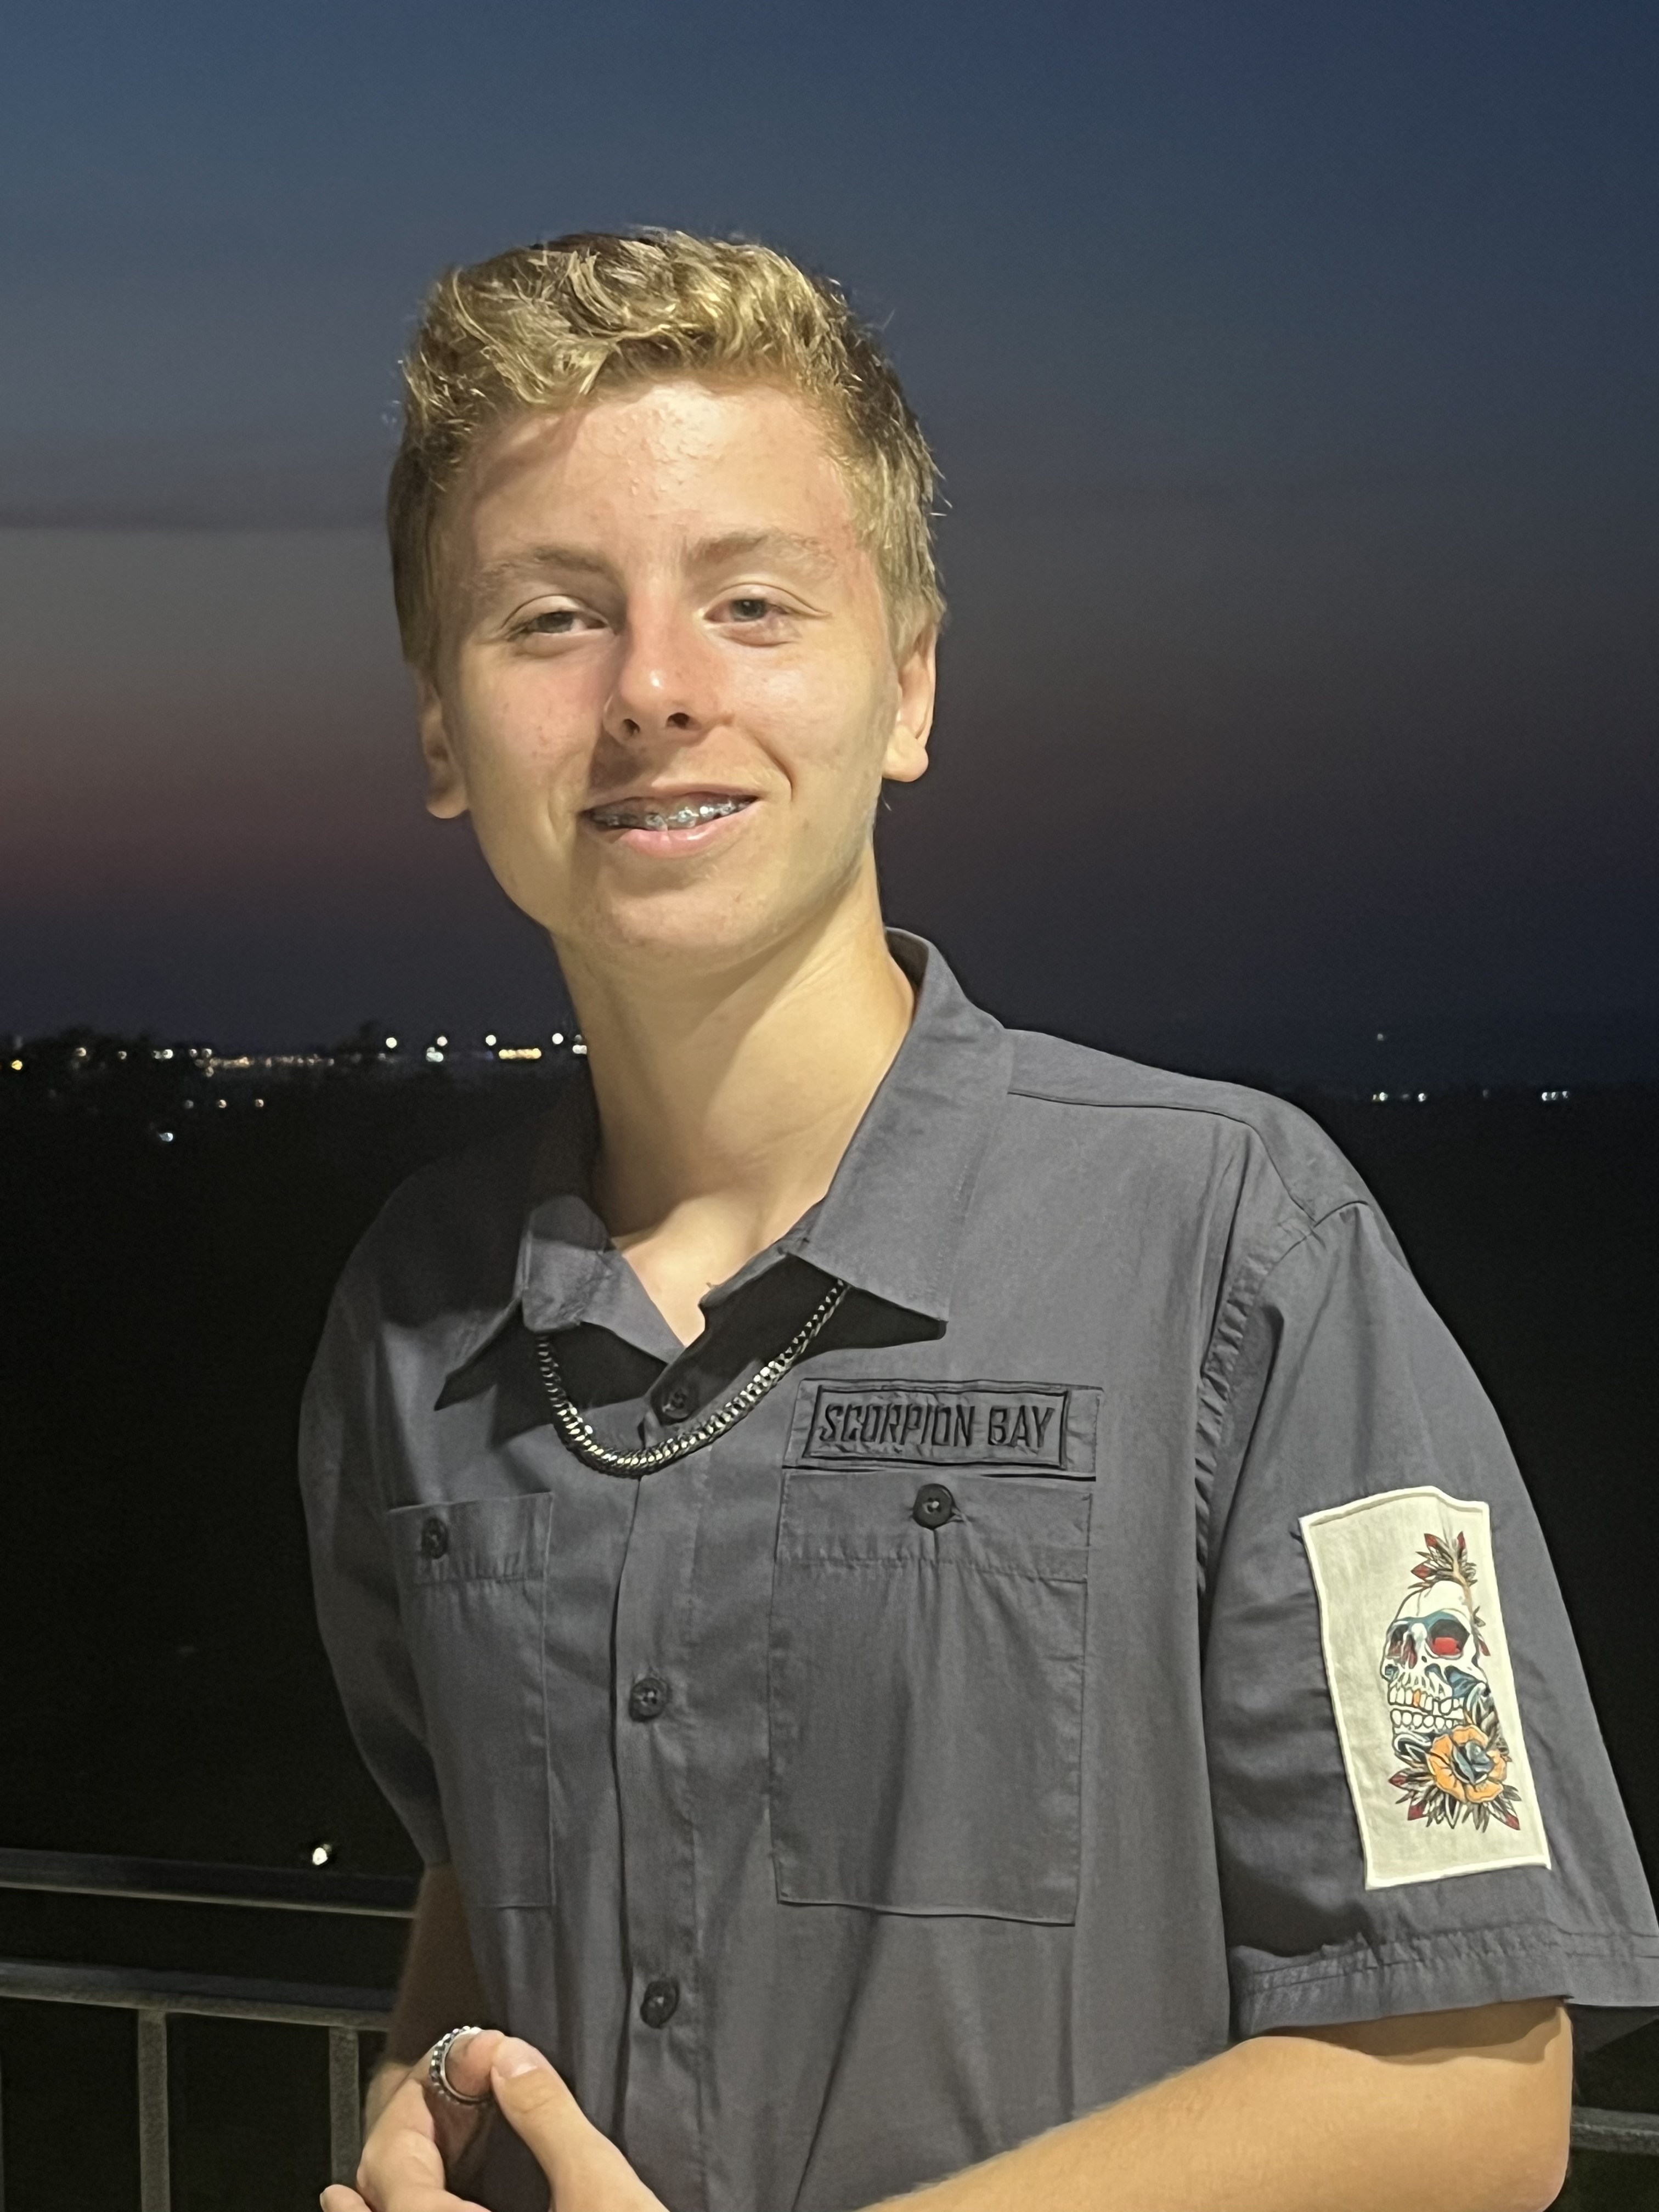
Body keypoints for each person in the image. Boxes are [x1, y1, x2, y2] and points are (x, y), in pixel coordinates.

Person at [302, 230, 1658, 2212]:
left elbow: (1472, 2085)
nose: (655, 688)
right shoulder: (417, 1320)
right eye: (551, 619)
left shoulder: (1235, 1244)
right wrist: (425, 2098)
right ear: (443, 727)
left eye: (752, 602)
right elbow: (485, 1873)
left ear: (909, 684)